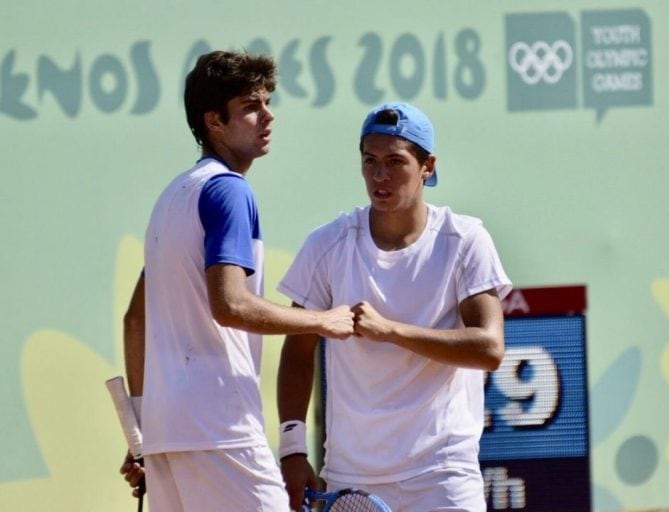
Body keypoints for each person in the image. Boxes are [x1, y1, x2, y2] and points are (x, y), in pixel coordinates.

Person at [118, 50, 355, 512]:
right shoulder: (228, 190)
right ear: (214, 121)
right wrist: (322, 321)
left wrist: (144, 424)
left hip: (168, 437)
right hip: (220, 427)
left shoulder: (172, 197)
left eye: (267, 102)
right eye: (251, 106)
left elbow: (134, 320)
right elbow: (230, 304)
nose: (268, 116)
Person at [276, 101, 512, 511]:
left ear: (427, 165)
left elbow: (489, 348)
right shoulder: (327, 244)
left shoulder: (466, 240)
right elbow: (297, 353)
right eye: (369, 161)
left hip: (444, 474)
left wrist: (391, 331)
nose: (379, 176)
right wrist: (293, 450)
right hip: (353, 477)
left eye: (394, 162)